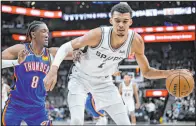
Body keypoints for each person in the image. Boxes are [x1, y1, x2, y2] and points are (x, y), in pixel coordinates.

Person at [43, 3, 191, 125]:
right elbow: (65, 47)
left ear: (130, 22)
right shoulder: (99, 35)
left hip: (104, 83)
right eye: (117, 21)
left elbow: (146, 72)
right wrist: (53, 70)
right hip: (80, 79)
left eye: (125, 21)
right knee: (76, 121)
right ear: (111, 21)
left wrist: (169, 73)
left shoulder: (136, 42)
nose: (121, 25)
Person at [1, 20, 71, 125]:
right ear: (33, 34)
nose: (47, 35)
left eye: (48, 32)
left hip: (38, 108)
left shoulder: (51, 53)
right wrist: (16, 62)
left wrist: (81, 51)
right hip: (16, 105)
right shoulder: (20, 49)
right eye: (43, 31)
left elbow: (73, 52)